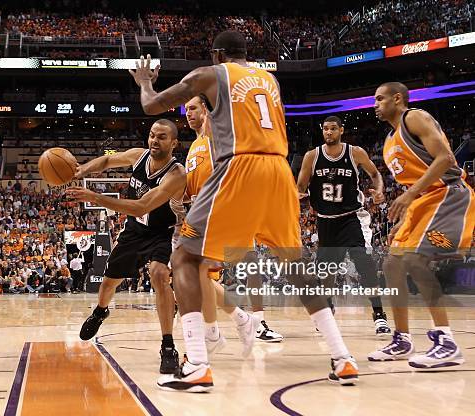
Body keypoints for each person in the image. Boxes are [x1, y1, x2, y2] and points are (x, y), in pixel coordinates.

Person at [130, 30, 358, 392]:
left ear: (217, 53)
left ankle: (199, 363)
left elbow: (152, 105)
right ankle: (342, 357)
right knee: (295, 265)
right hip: (279, 171)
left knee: (184, 260)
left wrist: (144, 82)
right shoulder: (269, 79)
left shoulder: (210, 74)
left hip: (240, 167)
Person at [67, 119, 186, 375]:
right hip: (135, 230)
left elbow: (143, 205)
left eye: (162, 137)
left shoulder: (177, 174)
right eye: (153, 135)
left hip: (163, 232)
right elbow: (108, 160)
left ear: (174, 143)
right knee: (109, 282)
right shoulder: (138, 156)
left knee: (159, 275)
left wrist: (96, 197)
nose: (154, 140)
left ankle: (168, 346)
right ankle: (100, 312)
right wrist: (83, 169)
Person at [368, 82, 475, 368]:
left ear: (397, 98)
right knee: (392, 264)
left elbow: (445, 159)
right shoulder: (390, 141)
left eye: (380, 99)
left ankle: (446, 341)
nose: (375, 104)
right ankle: (401, 339)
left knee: (416, 260)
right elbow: (412, 183)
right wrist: (406, 218)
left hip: (448, 194)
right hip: (422, 204)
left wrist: (410, 195)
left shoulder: (413, 117)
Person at [183, 95, 282, 359]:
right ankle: (232, 324)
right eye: (185, 109)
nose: (187, 113)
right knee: (199, 276)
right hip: (200, 214)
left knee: (236, 266)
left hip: (224, 210)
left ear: (205, 109)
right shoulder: (195, 146)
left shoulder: (218, 136)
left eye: (192, 108)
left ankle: (240, 324)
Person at [296, 115, 392, 337]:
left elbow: (376, 174)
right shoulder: (312, 156)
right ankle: (328, 308)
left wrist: (379, 190)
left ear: (341, 130)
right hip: (325, 220)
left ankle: (379, 315)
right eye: (325, 129)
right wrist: (298, 195)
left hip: (351, 218)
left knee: (364, 263)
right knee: (326, 272)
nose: (328, 132)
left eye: (333, 129)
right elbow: (300, 186)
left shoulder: (354, 152)